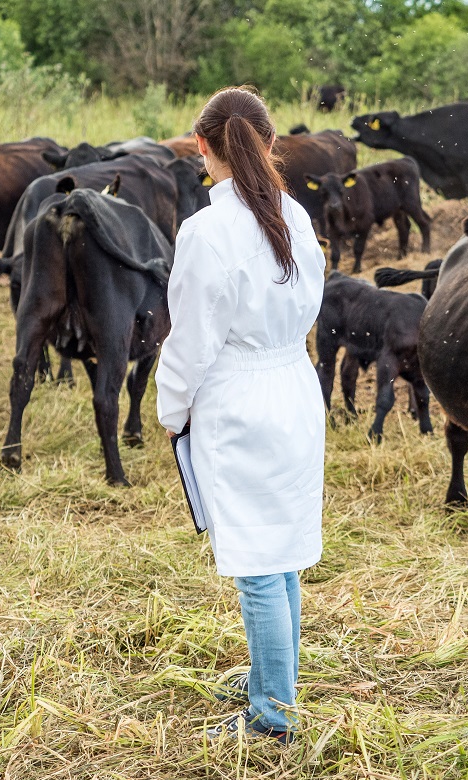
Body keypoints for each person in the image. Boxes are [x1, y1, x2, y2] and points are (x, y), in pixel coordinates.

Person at [155, 86, 327, 745]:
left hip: (240, 399)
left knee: (257, 561)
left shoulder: (206, 232)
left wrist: (172, 409)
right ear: (272, 143)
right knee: (279, 550)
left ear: (201, 147)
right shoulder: (296, 216)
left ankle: (272, 716)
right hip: (292, 385)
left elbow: (193, 339)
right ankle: (275, 680)